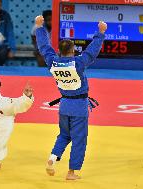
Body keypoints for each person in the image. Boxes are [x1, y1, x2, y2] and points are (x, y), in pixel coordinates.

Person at [35, 15, 107, 180]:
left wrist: (40, 28)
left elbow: (44, 47)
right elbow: (92, 51)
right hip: (79, 106)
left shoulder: (53, 62)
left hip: (65, 104)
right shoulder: (78, 63)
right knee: (79, 139)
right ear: (73, 50)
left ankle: (53, 158)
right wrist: (101, 33)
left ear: (59, 51)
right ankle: (71, 172)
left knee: (64, 135)